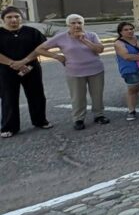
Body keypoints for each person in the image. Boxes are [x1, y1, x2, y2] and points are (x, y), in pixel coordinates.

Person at [32, 14, 108, 130]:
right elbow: (39, 49)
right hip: (74, 71)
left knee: (97, 94)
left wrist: (84, 40)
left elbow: (100, 49)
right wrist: (57, 56)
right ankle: (78, 119)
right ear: (68, 25)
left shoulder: (91, 35)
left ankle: (99, 115)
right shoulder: (61, 37)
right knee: (77, 97)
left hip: (95, 69)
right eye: (73, 23)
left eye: (79, 23)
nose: (77, 25)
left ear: (83, 24)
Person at [0, 7, 52, 137]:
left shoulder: (32, 32)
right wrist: (12, 63)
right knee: (8, 97)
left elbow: (41, 48)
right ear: (3, 19)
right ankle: (9, 127)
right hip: (6, 71)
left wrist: (24, 61)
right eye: (9, 17)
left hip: (31, 68)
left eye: (17, 16)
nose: (13, 19)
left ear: (21, 18)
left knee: (37, 95)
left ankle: (40, 121)